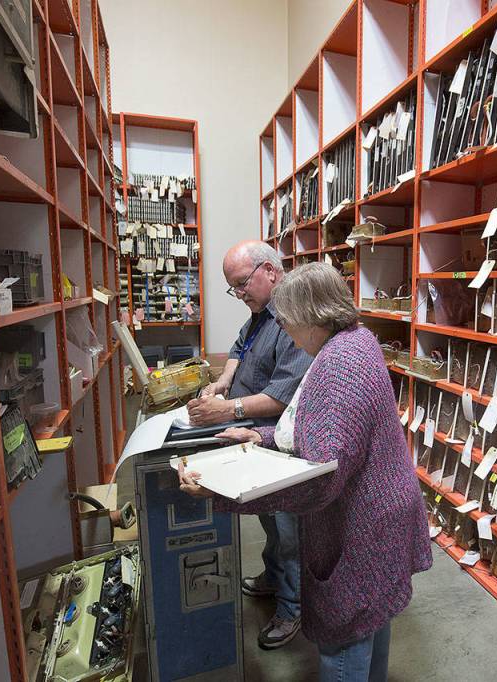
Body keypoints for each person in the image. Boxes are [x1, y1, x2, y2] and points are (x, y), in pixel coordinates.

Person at [180, 262, 432, 681]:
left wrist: (222, 493)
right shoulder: (353, 341)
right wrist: (261, 437)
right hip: (381, 512)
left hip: (362, 526)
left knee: (345, 641)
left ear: (312, 317)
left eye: (288, 323)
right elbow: (312, 425)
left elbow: (322, 479)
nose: (287, 334)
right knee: (371, 623)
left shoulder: (339, 366)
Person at [186, 240, 312, 650]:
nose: (239, 294)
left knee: (287, 529)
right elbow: (240, 347)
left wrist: (224, 411)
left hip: (281, 440)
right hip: (253, 437)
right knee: (269, 521)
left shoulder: (294, 315)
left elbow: (281, 396)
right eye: (233, 289)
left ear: (270, 272)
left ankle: (292, 608)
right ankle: (274, 579)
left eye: (242, 284)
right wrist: (223, 382)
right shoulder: (260, 312)